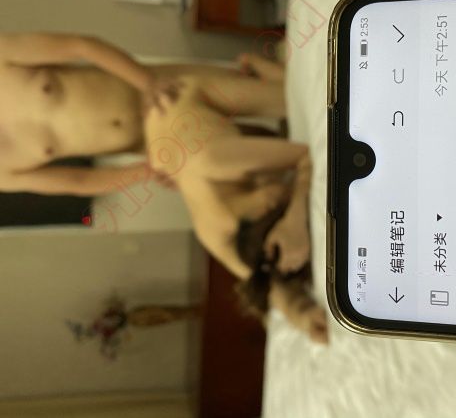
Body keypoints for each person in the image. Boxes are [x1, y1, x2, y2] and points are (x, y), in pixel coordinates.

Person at [143, 75, 327, 343]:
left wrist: (296, 217)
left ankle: (258, 67)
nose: (285, 192)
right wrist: (302, 314)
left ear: (269, 203)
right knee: (264, 141)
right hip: (177, 149)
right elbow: (262, 281)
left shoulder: (214, 161)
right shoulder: (212, 232)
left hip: (182, 98)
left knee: (301, 96)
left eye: (283, 199)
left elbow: (306, 155)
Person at [0, 32, 283, 197]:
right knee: (267, 154)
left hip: (161, 88)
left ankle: (259, 67)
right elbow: (80, 182)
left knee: (272, 96)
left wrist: (147, 82)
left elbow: (80, 46)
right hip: (156, 140)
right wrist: (149, 170)